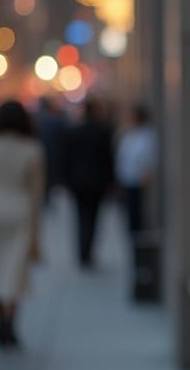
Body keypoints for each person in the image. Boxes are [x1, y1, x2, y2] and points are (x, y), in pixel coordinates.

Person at [0, 100, 45, 348]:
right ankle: (10, 322)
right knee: (15, 270)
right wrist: (37, 227)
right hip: (21, 210)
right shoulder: (32, 148)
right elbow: (36, 192)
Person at [61, 96, 115, 268]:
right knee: (94, 217)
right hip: (97, 182)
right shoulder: (104, 131)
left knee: (81, 216)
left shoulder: (75, 131)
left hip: (79, 182)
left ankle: (83, 252)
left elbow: (67, 159)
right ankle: (88, 252)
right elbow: (109, 159)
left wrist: (66, 180)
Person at [114, 102, 158, 247]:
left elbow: (148, 156)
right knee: (129, 212)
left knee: (137, 213)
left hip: (138, 180)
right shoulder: (127, 134)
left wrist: (146, 174)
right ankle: (132, 240)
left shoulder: (147, 135)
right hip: (127, 178)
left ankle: (139, 244)